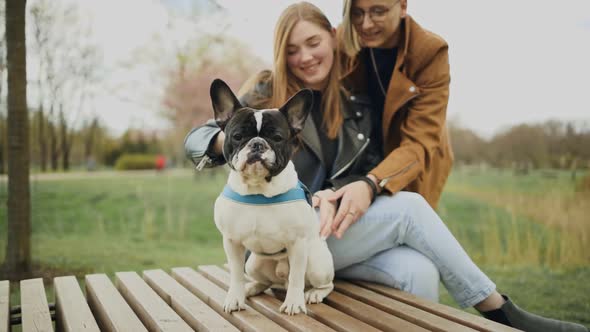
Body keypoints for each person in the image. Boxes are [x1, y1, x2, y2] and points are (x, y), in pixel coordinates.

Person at [184, 2, 587, 331]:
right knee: (410, 210)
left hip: (335, 230)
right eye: (292, 49)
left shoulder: (357, 100)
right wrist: (237, 145)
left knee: (419, 271)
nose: (304, 57)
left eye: (313, 43)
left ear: (334, 40)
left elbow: (384, 157)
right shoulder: (267, 93)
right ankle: (497, 308)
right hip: (291, 236)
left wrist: (358, 186)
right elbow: (197, 140)